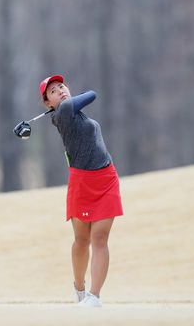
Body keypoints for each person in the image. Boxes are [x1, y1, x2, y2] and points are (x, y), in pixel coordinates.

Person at [39, 74, 123, 308]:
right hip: (82, 181)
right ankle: (79, 288)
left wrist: (67, 99)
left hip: (106, 178)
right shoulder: (63, 113)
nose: (61, 91)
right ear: (48, 103)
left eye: (62, 86)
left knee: (100, 237)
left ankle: (94, 297)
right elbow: (92, 94)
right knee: (81, 240)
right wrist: (66, 101)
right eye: (53, 91)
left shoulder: (73, 111)